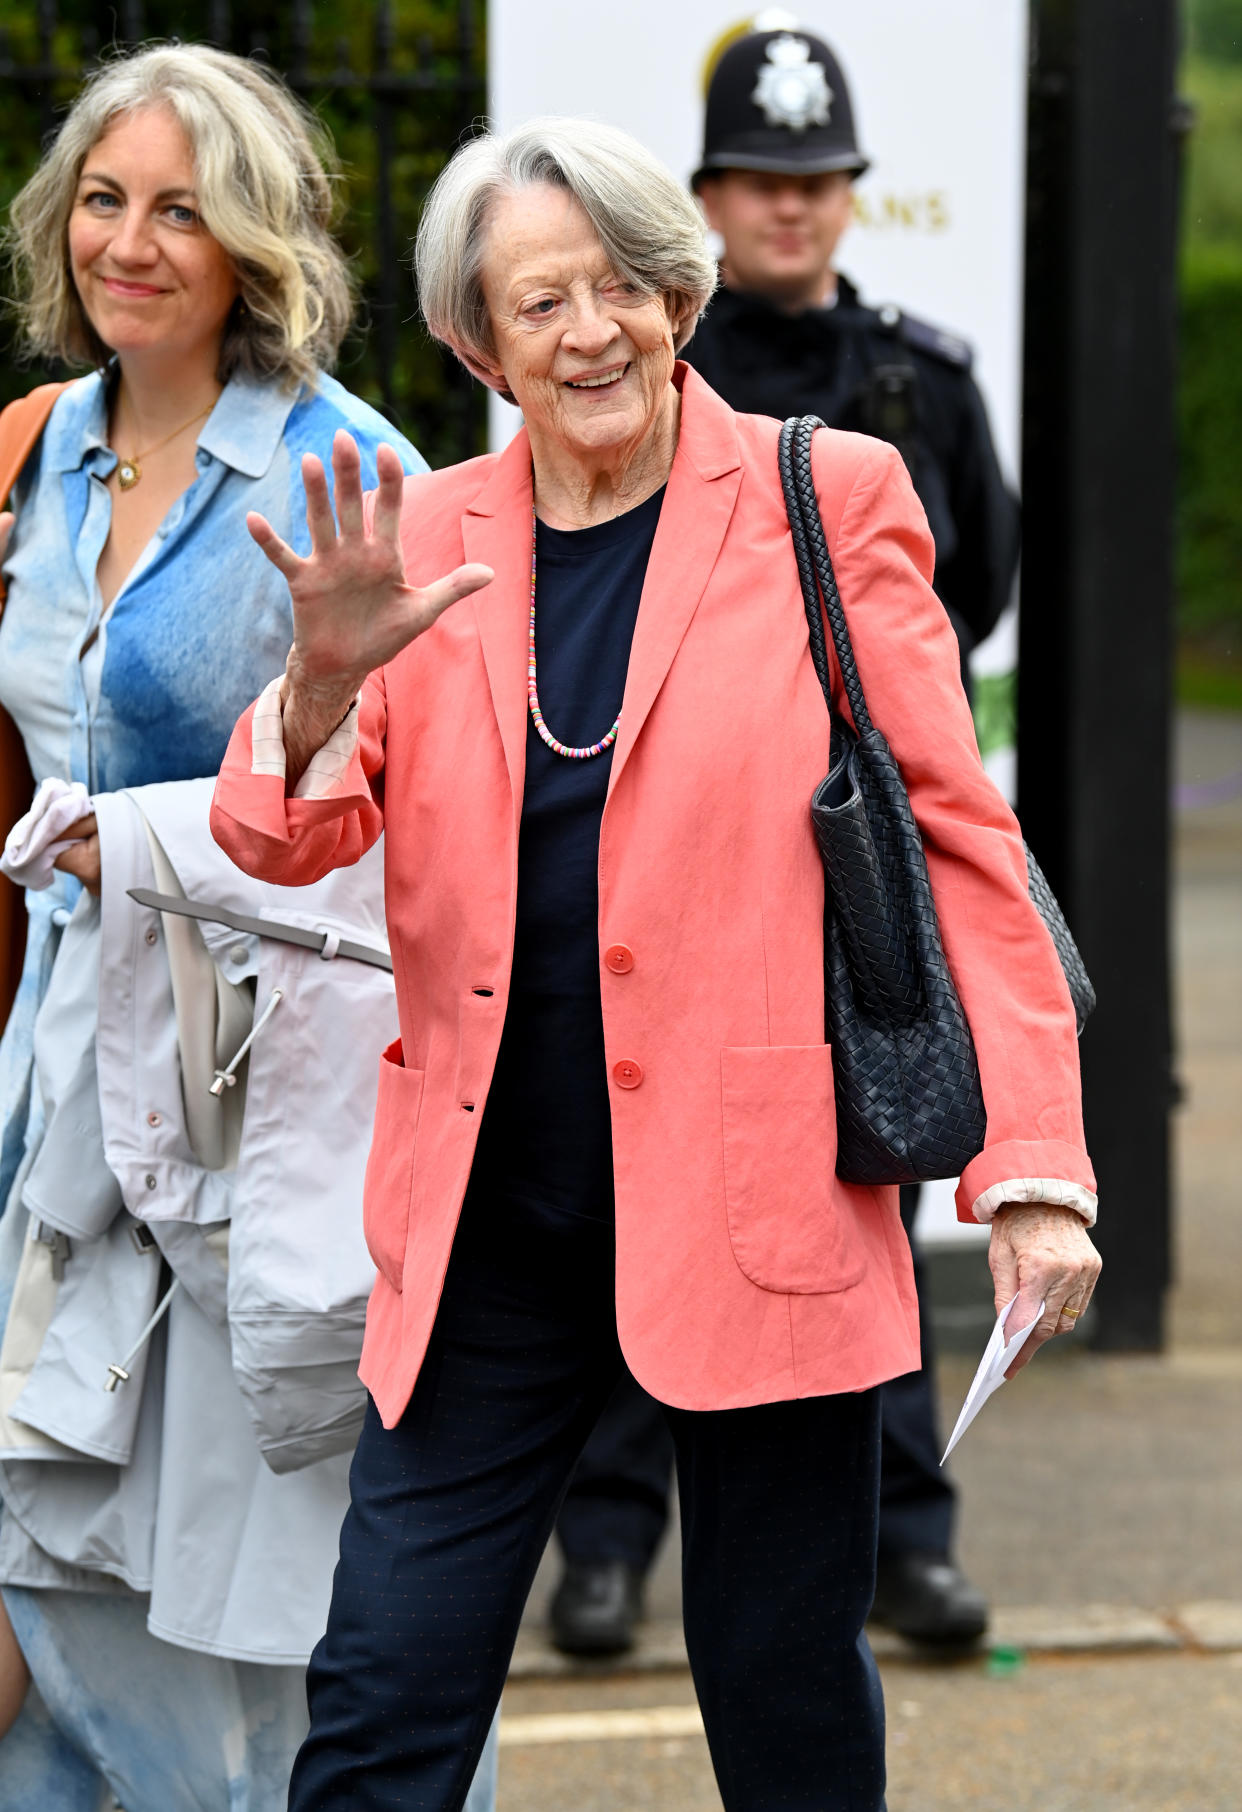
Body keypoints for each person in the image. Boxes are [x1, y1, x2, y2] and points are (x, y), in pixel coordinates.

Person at [210, 115, 1101, 1812]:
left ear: (679, 294)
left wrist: (1031, 1171)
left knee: (780, 1705)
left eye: (618, 283)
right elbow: (280, 842)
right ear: (478, 344)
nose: (587, 330)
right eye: (536, 303)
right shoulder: (419, 527)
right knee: (384, 1697)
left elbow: (958, 841)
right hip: (487, 1222)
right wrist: (318, 690)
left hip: (755, 1203)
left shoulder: (820, 495)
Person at [0, 43, 498, 1812]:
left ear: (254, 245)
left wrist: (137, 840)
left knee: (266, 1598)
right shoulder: (33, 450)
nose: (128, 242)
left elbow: (433, 826)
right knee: (53, 1561)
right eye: (105, 200)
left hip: (255, 1096)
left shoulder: (345, 468)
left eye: (182, 210)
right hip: (54, 1069)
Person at [549, 18, 1022, 1656]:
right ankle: (605, 1547)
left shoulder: (925, 382)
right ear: (709, 199)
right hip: (674, 856)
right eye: (760, 181)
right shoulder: (652, 369)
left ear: (847, 199)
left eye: (818, 183)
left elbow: (972, 602)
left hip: (850, 871)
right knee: (637, 1197)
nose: (791, 211)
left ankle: (907, 1541)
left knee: (866, 1195)